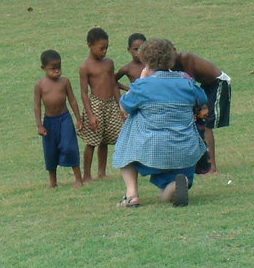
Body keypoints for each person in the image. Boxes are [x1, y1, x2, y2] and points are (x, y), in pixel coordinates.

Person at [113, 38, 208, 208]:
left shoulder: (143, 86)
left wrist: (140, 80)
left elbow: (125, 106)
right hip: (185, 150)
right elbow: (201, 99)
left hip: (153, 148)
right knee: (166, 195)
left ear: (145, 61)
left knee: (128, 131)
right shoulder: (185, 82)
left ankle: (132, 194)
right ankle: (176, 184)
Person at [34, 49, 84, 188]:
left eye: (59, 67)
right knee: (50, 151)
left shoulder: (65, 82)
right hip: (49, 122)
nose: (56, 71)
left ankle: (78, 179)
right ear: (43, 68)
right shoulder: (40, 85)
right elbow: (37, 106)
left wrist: (78, 119)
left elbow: (72, 100)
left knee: (70, 147)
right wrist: (39, 125)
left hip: (65, 119)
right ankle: (53, 182)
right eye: (52, 68)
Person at [176, 49, 231, 173]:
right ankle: (201, 164)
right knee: (199, 123)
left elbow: (190, 81)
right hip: (205, 86)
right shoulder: (167, 64)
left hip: (217, 83)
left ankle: (212, 168)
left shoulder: (185, 57)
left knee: (205, 125)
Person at [79, 27, 122, 182]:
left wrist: (120, 106)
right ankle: (87, 175)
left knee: (105, 140)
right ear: (90, 45)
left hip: (110, 104)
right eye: (101, 48)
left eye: (106, 48)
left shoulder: (109, 63)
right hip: (95, 105)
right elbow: (84, 92)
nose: (104, 51)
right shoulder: (85, 67)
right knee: (92, 141)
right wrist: (90, 114)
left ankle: (102, 172)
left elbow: (114, 85)